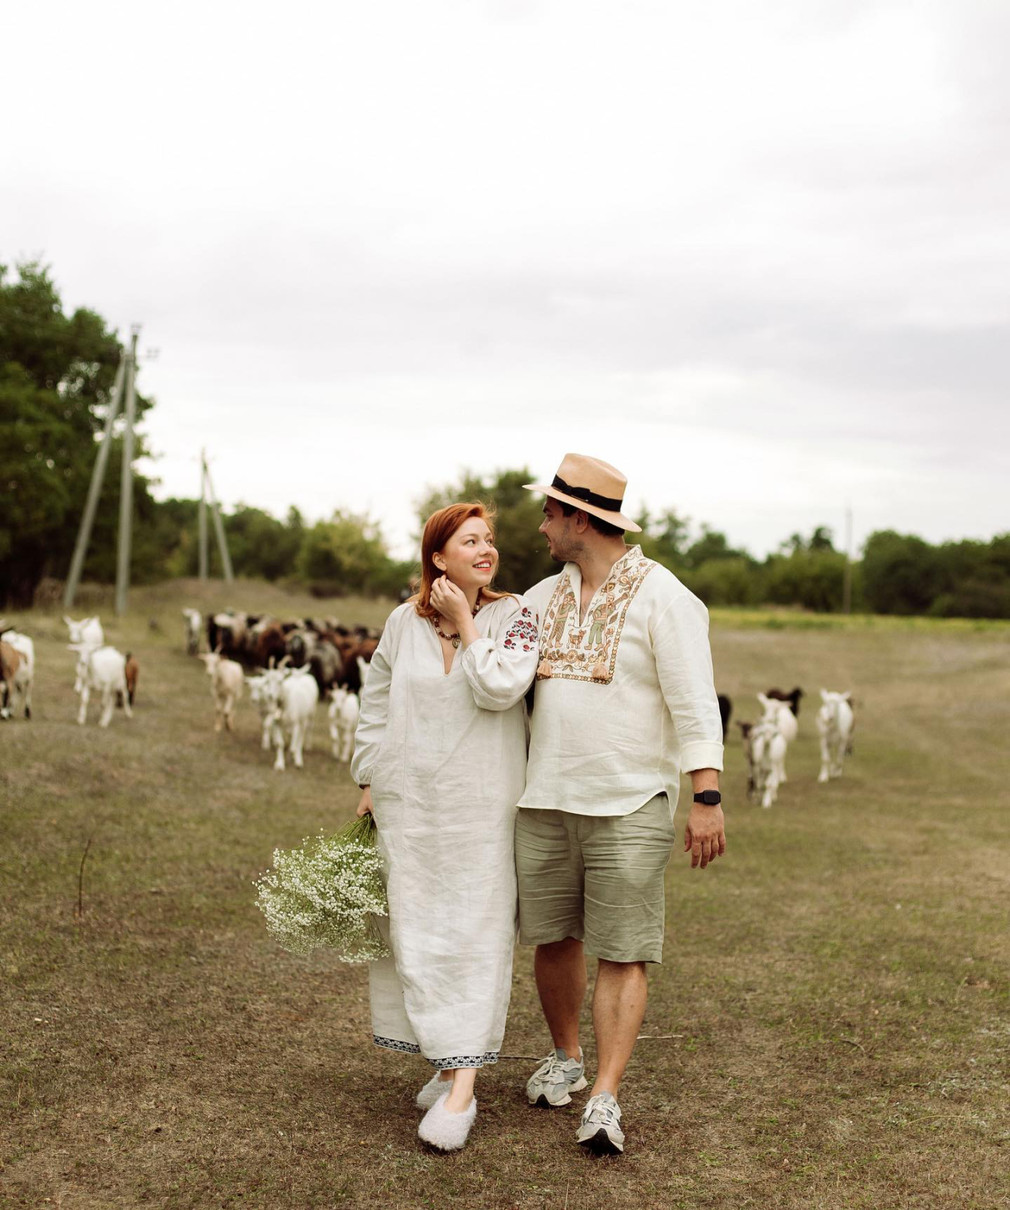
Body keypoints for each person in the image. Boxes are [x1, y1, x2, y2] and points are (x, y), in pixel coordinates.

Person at [515, 453, 726, 1156]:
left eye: (549, 512)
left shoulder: (667, 597)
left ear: (580, 518)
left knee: (623, 951)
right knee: (553, 938)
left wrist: (707, 796)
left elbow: (695, 704)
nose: (541, 525)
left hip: (631, 800)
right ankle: (566, 1057)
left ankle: (604, 1095)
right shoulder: (540, 599)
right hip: (544, 798)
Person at [351, 502, 539, 1152]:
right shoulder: (403, 622)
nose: (486, 550)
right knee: (418, 927)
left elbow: (500, 690)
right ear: (438, 556)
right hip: (412, 807)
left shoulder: (514, 617)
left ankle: (463, 1087)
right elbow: (376, 698)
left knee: (476, 930)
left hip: (482, 808)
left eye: (490, 540)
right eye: (471, 540)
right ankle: (445, 1057)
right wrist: (369, 777)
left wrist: (466, 621)